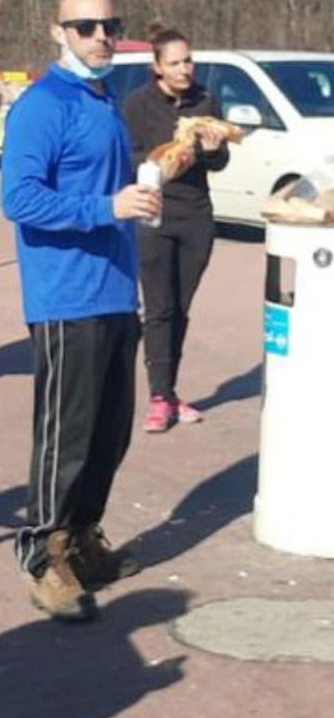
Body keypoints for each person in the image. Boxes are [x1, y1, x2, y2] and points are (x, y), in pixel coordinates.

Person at [1, 0, 161, 622]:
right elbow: (21, 199)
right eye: (86, 26)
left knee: (109, 431)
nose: (101, 36)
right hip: (65, 295)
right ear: (58, 32)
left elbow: (105, 187)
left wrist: (147, 183)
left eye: (109, 25)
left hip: (116, 290)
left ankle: (84, 537)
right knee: (66, 435)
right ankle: (43, 553)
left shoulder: (105, 99)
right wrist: (107, 208)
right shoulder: (43, 105)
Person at [122, 26, 229, 433]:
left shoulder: (206, 101)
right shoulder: (138, 104)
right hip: (155, 213)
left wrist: (213, 150)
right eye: (175, 63)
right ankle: (157, 397)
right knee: (159, 308)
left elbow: (220, 164)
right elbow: (126, 157)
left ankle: (169, 390)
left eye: (188, 60)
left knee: (181, 308)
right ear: (157, 67)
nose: (185, 69)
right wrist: (160, 158)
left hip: (196, 216)